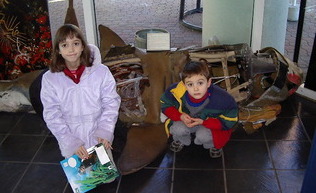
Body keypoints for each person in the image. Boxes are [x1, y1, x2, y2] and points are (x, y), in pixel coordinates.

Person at [40, 24, 121, 161]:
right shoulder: (50, 79)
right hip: (72, 137)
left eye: (76, 43)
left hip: (98, 134)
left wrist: (105, 131)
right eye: (64, 45)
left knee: (103, 177)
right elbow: (52, 114)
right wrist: (70, 142)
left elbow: (111, 102)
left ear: (83, 46)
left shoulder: (101, 72)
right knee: (83, 179)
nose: (71, 49)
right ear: (58, 50)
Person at [160, 60, 238, 158]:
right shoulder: (175, 91)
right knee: (178, 129)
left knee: (203, 135)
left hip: (208, 124)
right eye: (190, 84)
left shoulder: (223, 99)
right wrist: (180, 116)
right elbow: (165, 104)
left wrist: (204, 122)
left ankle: (212, 145)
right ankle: (181, 140)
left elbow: (230, 119)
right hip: (186, 121)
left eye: (200, 83)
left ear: (208, 82)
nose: (195, 89)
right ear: (184, 85)